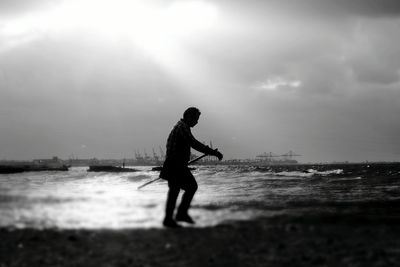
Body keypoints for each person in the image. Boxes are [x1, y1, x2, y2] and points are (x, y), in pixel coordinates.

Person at [160, 107, 223, 228]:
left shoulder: (180, 126)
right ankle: (178, 215)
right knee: (191, 187)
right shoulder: (182, 128)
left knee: (175, 191)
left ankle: (173, 217)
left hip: (174, 164)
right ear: (189, 117)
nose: (197, 122)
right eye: (196, 119)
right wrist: (213, 152)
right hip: (175, 165)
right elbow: (193, 143)